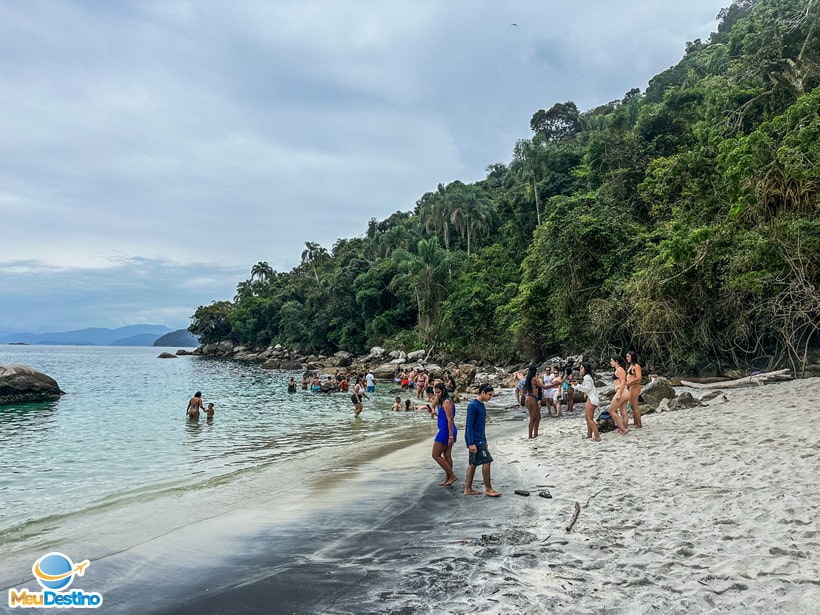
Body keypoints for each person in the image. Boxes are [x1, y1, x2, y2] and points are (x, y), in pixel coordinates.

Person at [464, 384, 501, 497]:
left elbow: (481, 426)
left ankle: (468, 489)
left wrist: (485, 440)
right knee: (487, 461)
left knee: (473, 463)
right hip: (475, 440)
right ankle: (488, 488)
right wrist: (471, 443)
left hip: (480, 439)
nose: (490, 397)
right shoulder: (473, 405)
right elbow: (469, 426)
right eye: (489, 395)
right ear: (483, 392)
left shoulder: (481, 405)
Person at [431, 382, 457, 486]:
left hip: (446, 431)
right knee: (447, 455)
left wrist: (450, 436)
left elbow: (450, 419)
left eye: (439, 392)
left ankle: (451, 475)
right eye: (436, 392)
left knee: (435, 455)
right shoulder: (441, 401)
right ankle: (448, 479)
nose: (437, 394)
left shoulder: (446, 402)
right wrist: (434, 412)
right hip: (445, 429)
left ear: (443, 391)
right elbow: (441, 414)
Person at [572, 363, 601, 442]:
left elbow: (587, 388)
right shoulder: (588, 377)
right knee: (588, 418)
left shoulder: (587, 377)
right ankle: (589, 434)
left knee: (588, 418)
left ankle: (597, 436)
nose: (580, 369)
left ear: (585, 369)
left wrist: (577, 386)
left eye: (581, 368)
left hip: (592, 399)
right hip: (591, 398)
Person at [523, 364, 552, 439]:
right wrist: (555, 384)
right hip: (532, 398)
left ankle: (535, 434)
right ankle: (530, 436)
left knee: (538, 417)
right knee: (533, 418)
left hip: (531, 398)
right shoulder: (534, 379)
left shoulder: (528, 379)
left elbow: (524, 391)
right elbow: (544, 387)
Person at [608, 356, 629, 434]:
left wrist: (619, 393)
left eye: (611, 361)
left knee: (611, 411)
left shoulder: (619, 369)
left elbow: (623, 381)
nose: (610, 362)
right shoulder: (619, 369)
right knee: (623, 412)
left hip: (622, 391)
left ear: (616, 361)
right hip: (625, 391)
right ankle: (624, 427)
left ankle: (623, 429)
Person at [625, 350, 644, 428]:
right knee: (632, 406)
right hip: (631, 386)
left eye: (628, 356)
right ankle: (636, 422)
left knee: (634, 406)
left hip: (635, 386)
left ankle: (638, 424)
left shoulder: (636, 366)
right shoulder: (631, 365)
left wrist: (630, 382)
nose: (627, 358)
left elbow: (639, 377)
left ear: (632, 357)